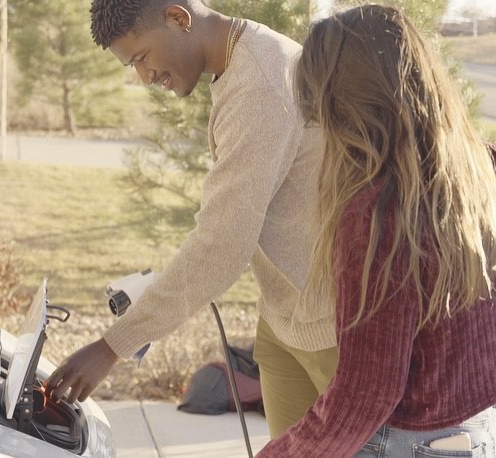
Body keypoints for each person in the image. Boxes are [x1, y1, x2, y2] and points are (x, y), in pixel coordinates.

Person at [255, 5, 496, 457]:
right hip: (483, 438)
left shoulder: (377, 212)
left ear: (341, 105)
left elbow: (366, 394)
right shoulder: (482, 166)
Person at [46, 0, 341, 437]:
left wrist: (111, 347)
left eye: (142, 57)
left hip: (334, 327)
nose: (145, 77)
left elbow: (222, 245)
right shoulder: (241, 61)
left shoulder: (260, 87)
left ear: (178, 18)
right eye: (132, 66)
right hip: (284, 318)